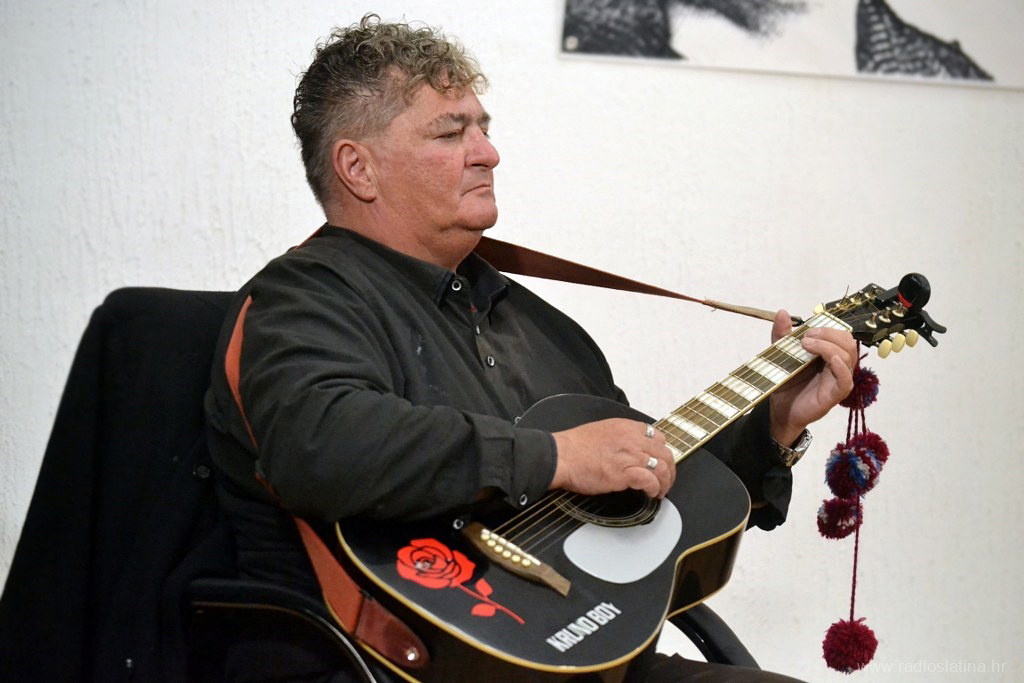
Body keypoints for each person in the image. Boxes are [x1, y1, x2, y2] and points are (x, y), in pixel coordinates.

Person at [204, 13, 857, 683]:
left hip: (576, 662)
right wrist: (558, 457)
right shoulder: (303, 298)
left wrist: (775, 421)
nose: (487, 153)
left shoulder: (536, 323)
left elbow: (641, 494)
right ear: (358, 168)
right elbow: (321, 443)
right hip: (378, 665)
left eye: (483, 128)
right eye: (451, 132)